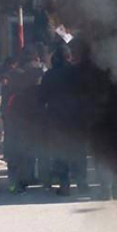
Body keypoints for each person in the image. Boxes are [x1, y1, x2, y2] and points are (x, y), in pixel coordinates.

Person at [40, 45, 88, 196]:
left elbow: (42, 98)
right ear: (68, 57)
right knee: (79, 152)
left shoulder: (49, 75)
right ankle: (82, 184)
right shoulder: (77, 73)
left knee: (60, 154)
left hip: (56, 120)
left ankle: (65, 185)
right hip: (76, 119)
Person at [3, 48, 45, 194]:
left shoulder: (13, 76)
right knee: (25, 151)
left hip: (15, 119)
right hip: (26, 120)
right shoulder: (32, 78)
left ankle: (17, 182)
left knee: (18, 153)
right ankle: (23, 181)